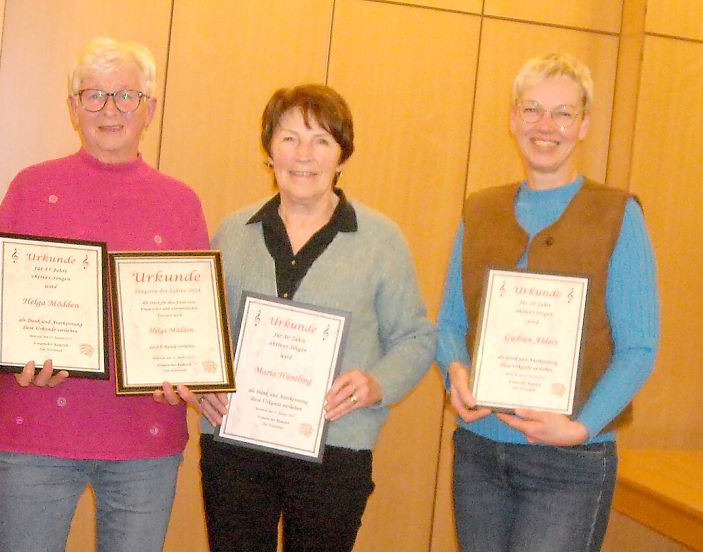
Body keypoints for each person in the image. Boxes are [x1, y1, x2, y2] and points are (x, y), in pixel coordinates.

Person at [0, 37, 209, 552]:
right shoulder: (32, 187)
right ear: (73, 108)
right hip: (36, 429)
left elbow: (192, 321)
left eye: (126, 95)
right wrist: (13, 354)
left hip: (145, 437)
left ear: (150, 109)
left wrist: (186, 371)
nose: (110, 109)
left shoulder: (180, 203)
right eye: (94, 95)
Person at [171, 84, 436, 551]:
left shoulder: (381, 239)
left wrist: (376, 384)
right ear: (269, 150)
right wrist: (201, 381)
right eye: (289, 138)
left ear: (342, 155)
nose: (303, 155)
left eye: (321, 141)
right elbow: (202, 332)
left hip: (335, 449)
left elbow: (414, 337)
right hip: (235, 446)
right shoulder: (233, 232)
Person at [437, 53, 660, 551]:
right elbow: (450, 322)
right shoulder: (481, 210)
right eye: (533, 109)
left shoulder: (617, 215)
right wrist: (454, 369)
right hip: (479, 454)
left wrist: (581, 428)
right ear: (513, 117)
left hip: (570, 466)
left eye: (564, 113)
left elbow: (640, 347)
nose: (546, 126)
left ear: (583, 125)